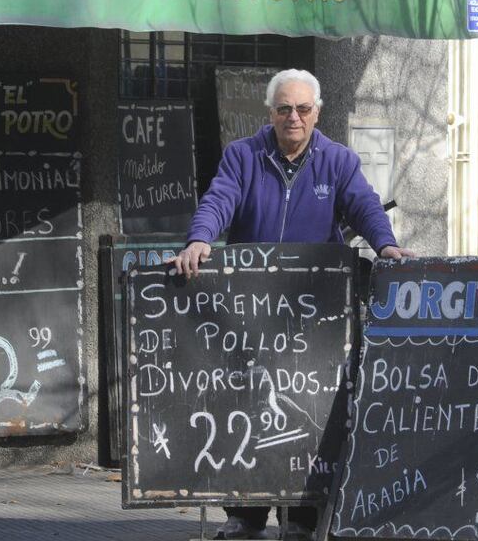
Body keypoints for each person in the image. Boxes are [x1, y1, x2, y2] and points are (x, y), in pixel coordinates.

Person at [170, 68, 413, 541]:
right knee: (246, 407)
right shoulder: (243, 156)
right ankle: (245, 514)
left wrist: (385, 245)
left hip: (311, 317)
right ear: (271, 113)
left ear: (317, 113)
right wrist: (200, 239)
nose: (293, 118)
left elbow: (363, 204)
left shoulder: (338, 161)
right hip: (249, 314)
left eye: (303, 109)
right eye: (284, 109)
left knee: (308, 411)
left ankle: (301, 520)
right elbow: (218, 200)